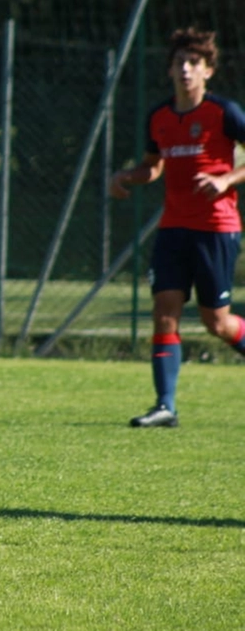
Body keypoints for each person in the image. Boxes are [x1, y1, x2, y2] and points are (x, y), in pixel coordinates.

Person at [108, 27, 245, 428]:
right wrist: (127, 176)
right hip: (174, 228)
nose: (185, 70)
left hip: (216, 228)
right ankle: (164, 405)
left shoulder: (224, 113)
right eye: (179, 63)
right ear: (169, 71)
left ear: (208, 71)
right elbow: (153, 166)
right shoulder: (161, 117)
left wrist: (225, 180)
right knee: (164, 311)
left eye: (194, 63)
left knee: (216, 322)